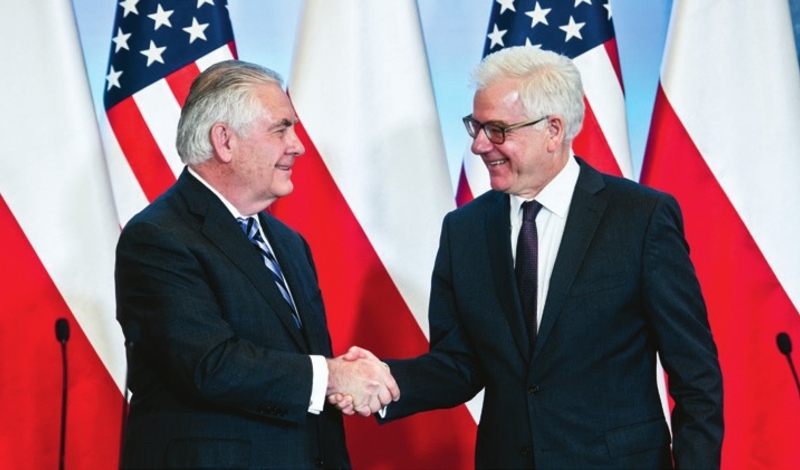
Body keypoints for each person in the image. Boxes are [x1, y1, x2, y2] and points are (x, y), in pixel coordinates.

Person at [335, 46, 723, 468]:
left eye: (497, 129)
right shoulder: (463, 230)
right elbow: (459, 363)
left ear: (553, 130)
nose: (479, 145)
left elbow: (695, 377)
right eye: (476, 127)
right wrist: (386, 381)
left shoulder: (640, 218)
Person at [115, 60, 399, 469]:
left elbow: (299, 371)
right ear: (224, 141)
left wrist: (339, 380)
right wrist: (332, 376)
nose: (297, 145)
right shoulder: (158, 237)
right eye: (280, 129)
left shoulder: (289, 243)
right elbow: (209, 365)